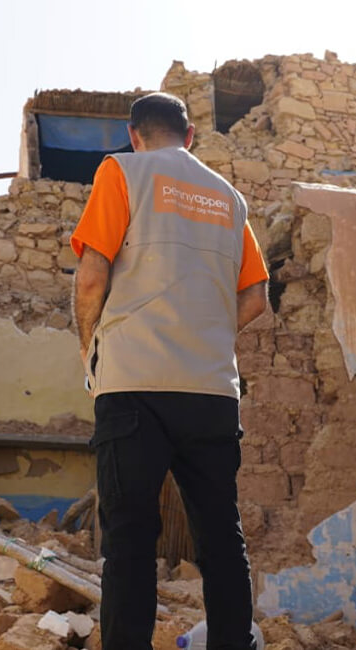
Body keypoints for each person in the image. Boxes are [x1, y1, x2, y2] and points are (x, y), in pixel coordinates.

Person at [69, 92, 270, 649]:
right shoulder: (230, 198)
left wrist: (89, 349)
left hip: (133, 382)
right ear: (191, 139)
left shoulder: (122, 171)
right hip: (210, 388)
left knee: (131, 539)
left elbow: (91, 278)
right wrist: (204, 335)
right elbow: (255, 297)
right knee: (221, 537)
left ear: (134, 135)